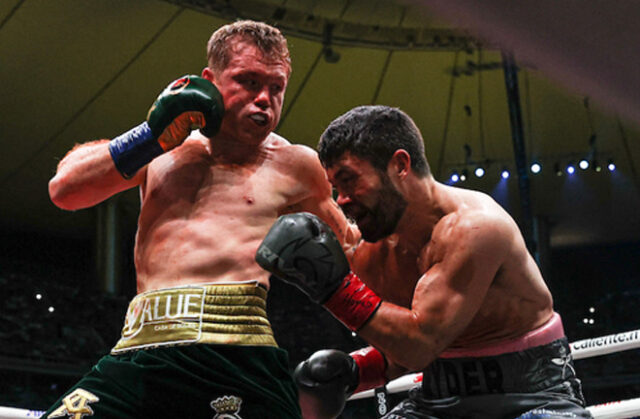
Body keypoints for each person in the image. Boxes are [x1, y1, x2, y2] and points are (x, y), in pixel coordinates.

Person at [45, 20, 356, 419]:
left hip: (240, 354)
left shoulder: (297, 165)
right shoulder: (161, 147)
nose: (264, 99)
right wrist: (149, 137)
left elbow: (352, 248)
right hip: (141, 351)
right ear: (209, 80)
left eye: (276, 87)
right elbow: (65, 190)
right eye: (248, 81)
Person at [255, 105, 593, 418]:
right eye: (335, 187)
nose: (342, 199)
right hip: (438, 399)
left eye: (350, 180)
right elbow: (407, 347)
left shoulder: (476, 228)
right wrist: (360, 370)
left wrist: (334, 289)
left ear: (400, 165)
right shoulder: (376, 249)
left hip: (535, 397)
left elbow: (420, 344)